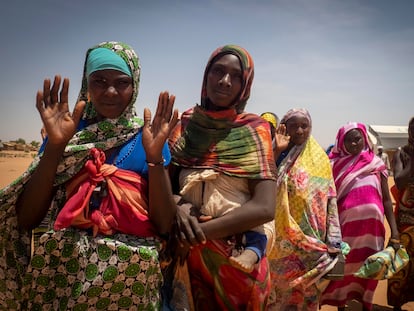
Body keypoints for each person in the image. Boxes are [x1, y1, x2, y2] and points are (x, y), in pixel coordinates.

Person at [0, 41, 178, 310]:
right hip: (62, 282)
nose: (110, 91)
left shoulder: (149, 138)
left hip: (130, 286)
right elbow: (27, 218)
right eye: (99, 81)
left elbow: (164, 225)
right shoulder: (68, 132)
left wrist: (154, 158)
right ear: (87, 83)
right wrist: (56, 146)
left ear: (135, 85)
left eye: (122, 82)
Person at [166, 44, 277, 310]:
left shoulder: (254, 130)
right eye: (218, 71)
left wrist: (197, 233)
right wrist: (178, 207)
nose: (225, 81)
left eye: (236, 76)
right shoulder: (186, 125)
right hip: (187, 263)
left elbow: (264, 207)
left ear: (245, 84)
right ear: (206, 76)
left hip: (237, 262)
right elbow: (165, 187)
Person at [267, 108, 346, 311]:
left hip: (313, 242)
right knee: (277, 295)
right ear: (285, 128)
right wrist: (276, 150)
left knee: (307, 296)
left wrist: (334, 239)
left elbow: (330, 200)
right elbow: (264, 184)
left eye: (305, 126)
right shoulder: (274, 153)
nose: (300, 131)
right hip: (281, 241)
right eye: (294, 126)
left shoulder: (320, 158)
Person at [320, 122, 400, 311]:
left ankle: (366, 305)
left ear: (364, 138)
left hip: (372, 231)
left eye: (357, 139)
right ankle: (341, 305)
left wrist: (394, 232)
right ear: (341, 142)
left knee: (370, 268)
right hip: (345, 230)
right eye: (349, 140)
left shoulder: (376, 163)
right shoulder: (332, 165)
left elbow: (387, 200)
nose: (354, 143)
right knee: (344, 269)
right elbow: (327, 200)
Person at [387, 117, 414, 311]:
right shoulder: (401, 154)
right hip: (405, 220)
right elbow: (399, 181)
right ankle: (397, 305)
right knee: (402, 265)